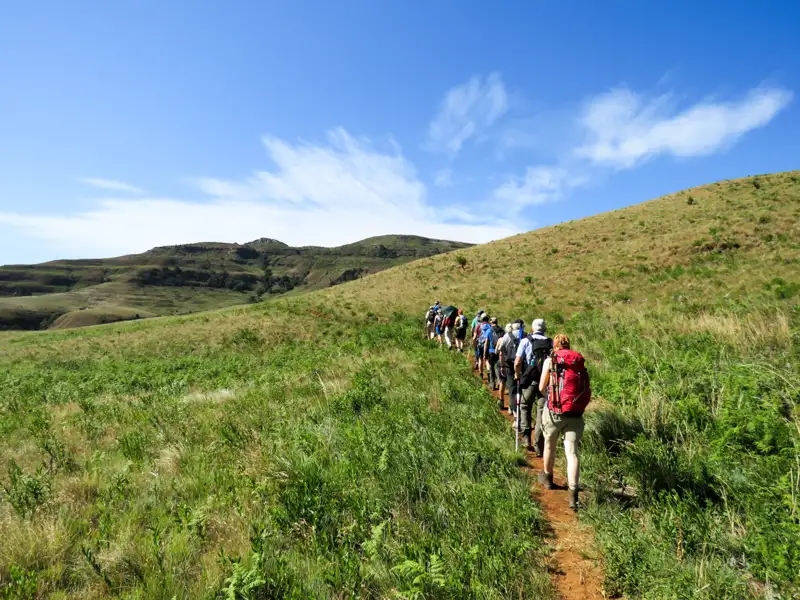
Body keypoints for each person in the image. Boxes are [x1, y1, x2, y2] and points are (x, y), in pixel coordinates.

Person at [538, 333, 591, 510]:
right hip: (575, 413)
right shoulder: (578, 362)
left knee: (549, 445)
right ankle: (573, 494)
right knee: (572, 453)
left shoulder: (550, 361)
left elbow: (541, 387)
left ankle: (547, 478)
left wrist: (551, 399)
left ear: (555, 345)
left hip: (554, 411)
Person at [514, 318, 552, 452]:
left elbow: (518, 361)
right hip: (545, 381)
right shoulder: (550, 342)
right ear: (544, 329)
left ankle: (526, 438)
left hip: (530, 380)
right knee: (541, 411)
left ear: (532, 328)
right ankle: (539, 445)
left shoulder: (525, 341)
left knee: (525, 406)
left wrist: (517, 375)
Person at [497, 323, 518, 410]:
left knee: (502, 382)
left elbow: (499, 352)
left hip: (505, 363)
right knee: (511, 386)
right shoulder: (517, 337)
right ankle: (511, 406)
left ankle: (501, 400)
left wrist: (502, 366)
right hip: (513, 364)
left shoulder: (503, 338)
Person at [484, 317, 501, 390]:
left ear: (491, 323)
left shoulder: (489, 330)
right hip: (499, 351)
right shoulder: (501, 330)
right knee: (497, 367)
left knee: (491, 368)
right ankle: (500, 382)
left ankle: (492, 384)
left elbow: (486, 343)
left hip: (491, 351)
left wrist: (485, 354)